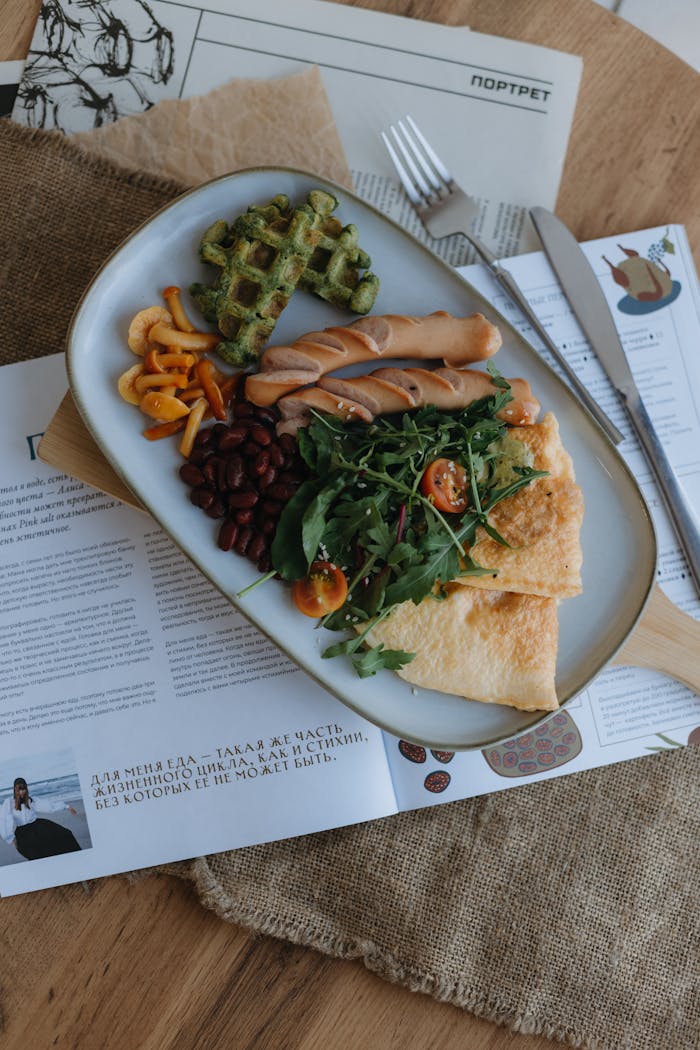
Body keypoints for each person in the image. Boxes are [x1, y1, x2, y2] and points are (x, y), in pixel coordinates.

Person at [0, 777, 81, 860]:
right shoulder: (9, 803)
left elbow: (49, 806)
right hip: (23, 833)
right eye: (19, 790)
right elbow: (4, 820)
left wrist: (66, 806)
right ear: (15, 790)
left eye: (23, 789)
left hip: (37, 827)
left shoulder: (31, 800)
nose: (21, 792)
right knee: (36, 853)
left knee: (65, 834)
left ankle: (77, 858)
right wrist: (11, 839)